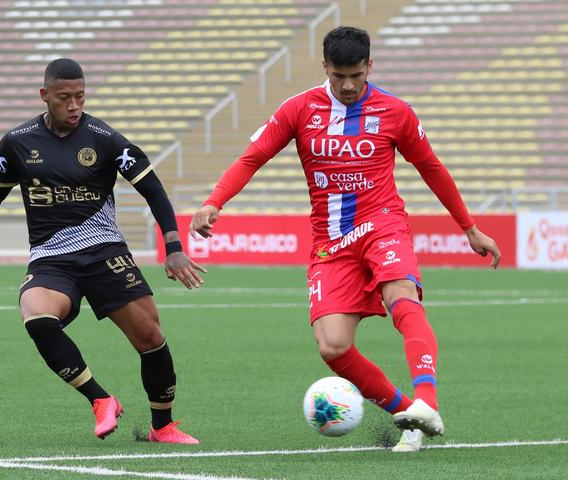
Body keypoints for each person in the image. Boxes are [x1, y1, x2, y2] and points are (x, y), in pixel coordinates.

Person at [191, 27, 502, 452]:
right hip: (330, 242)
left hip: (382, 224)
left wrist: (468, 227)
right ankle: (410, 416)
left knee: (401, 296)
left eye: (356, 74)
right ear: (325, 67)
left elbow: (431, 167)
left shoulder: (395, 111)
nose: (349, 85)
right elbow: (252, 157)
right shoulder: (299, 109)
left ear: (370, 65)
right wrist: (215, 202)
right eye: (339, 76)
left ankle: (427, 400)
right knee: (333, 347)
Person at [0, 58, 206, 443]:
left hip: (105, 251)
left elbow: (153, 190)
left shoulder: (105, 138)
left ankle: (163, 426)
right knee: (36, 315)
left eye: (80, 96)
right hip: (51, 257)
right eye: (64, 98)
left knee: (150, 337)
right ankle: (101, 399)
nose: (74, 105)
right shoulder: (17, 142)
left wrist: (174, 246)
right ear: (45, 95)